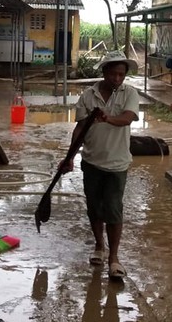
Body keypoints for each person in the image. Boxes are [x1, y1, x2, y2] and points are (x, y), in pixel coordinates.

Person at [62, 51, 139, 281]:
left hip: (117, 165)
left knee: (114, 209)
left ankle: (114, 258)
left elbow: (127, 118)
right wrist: (69, 157)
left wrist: (108, 118)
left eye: (121, 75)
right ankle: (99, 245)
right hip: (92, 161)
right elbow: (80, 128)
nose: (117, 79)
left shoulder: (129, 93)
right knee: (94, 207)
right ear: (104, 72)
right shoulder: (89, 95)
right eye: (113, 74)